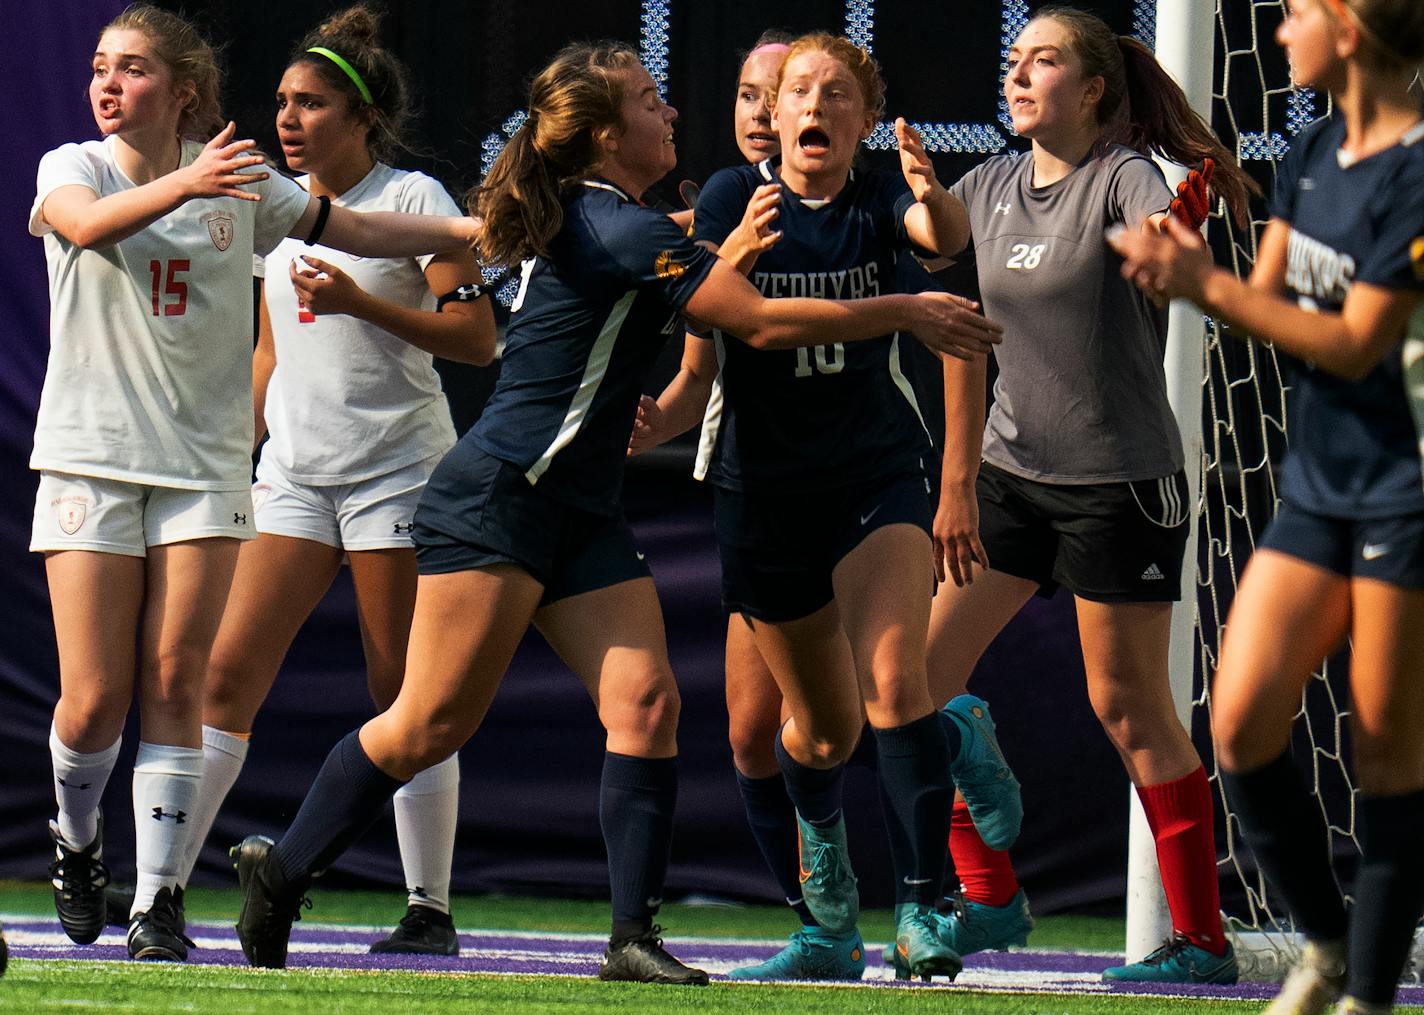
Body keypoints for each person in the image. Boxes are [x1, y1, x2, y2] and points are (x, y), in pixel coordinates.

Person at [229, 40, 1002, 983]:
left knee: (646, 703)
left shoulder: (619, 218)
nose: (672, 113)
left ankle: (631, 937)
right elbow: (752, 320)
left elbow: (695, 249)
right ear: (604, 137)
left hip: (582, 510)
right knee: (425, 722)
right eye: (649, 101)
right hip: (504, 496)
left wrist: (750, 244)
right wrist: (903, 312)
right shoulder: (618, 228)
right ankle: (284, 872)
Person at [30, 2, 477, 963]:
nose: (108, 82)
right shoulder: (77, 167)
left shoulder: (274, 192)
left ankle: (165, 901)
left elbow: (376, 243)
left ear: (182, 91)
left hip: (301, 467)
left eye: (133, 68)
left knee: (210, 679)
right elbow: (92, 229)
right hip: (152, 460)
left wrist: (507, 225)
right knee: (101, 699)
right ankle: (85, 844)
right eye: (100, 65)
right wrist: (194, 180)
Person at [631, 32, 1023, 982]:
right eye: (791, 91)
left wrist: (934, 205)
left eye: (832, 92)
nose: (804, 106)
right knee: (812, 734)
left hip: (871, 480)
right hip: (764, 496)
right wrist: (651, 418)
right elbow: (718, 328)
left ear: (860, 119)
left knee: (894, 682)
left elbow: (939, 243)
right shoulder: (731, 201)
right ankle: (833, 913)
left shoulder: (882, 194)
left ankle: (926, 907)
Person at [916, 4, 1258, 983]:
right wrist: (887, 190)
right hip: (1007, 482)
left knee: (1130, 708)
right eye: (1013, 61)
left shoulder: (1124, 179)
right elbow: (926, 232)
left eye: (1044, 62)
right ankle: (987, 897)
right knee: (909, 688)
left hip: (1119, 487)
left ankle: (1198, 941)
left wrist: (1180, 225)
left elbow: (1162, 239)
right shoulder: (984, 182)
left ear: (1095, 88)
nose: (1017, 76)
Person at [161, 4, 493, 956]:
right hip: (296, 477)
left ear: (363, 118)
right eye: (281, 101)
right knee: (223, 673)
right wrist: (240, 452)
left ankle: (427, 906)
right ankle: (165, 891)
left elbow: (476, 339)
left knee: (404, 690)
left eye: (310, 103)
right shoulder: (276, 208)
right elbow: (271, 350)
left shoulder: (420, 198)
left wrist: (359, 301)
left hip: (400, 473)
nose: (289, 117)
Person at [1111, 1, 1424, 1010]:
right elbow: (1278, 315)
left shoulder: (1416, 172)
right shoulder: (1317, 146)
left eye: (1295, 11)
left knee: (1382, 744)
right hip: (1317, 486)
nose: (1279, 26)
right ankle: (1325, 946)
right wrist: (1187, 259)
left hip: (1406, 492)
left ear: (1349, 24)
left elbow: (1352, 342)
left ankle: (1369, 993)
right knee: (1238, 723)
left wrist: (1200, 283)